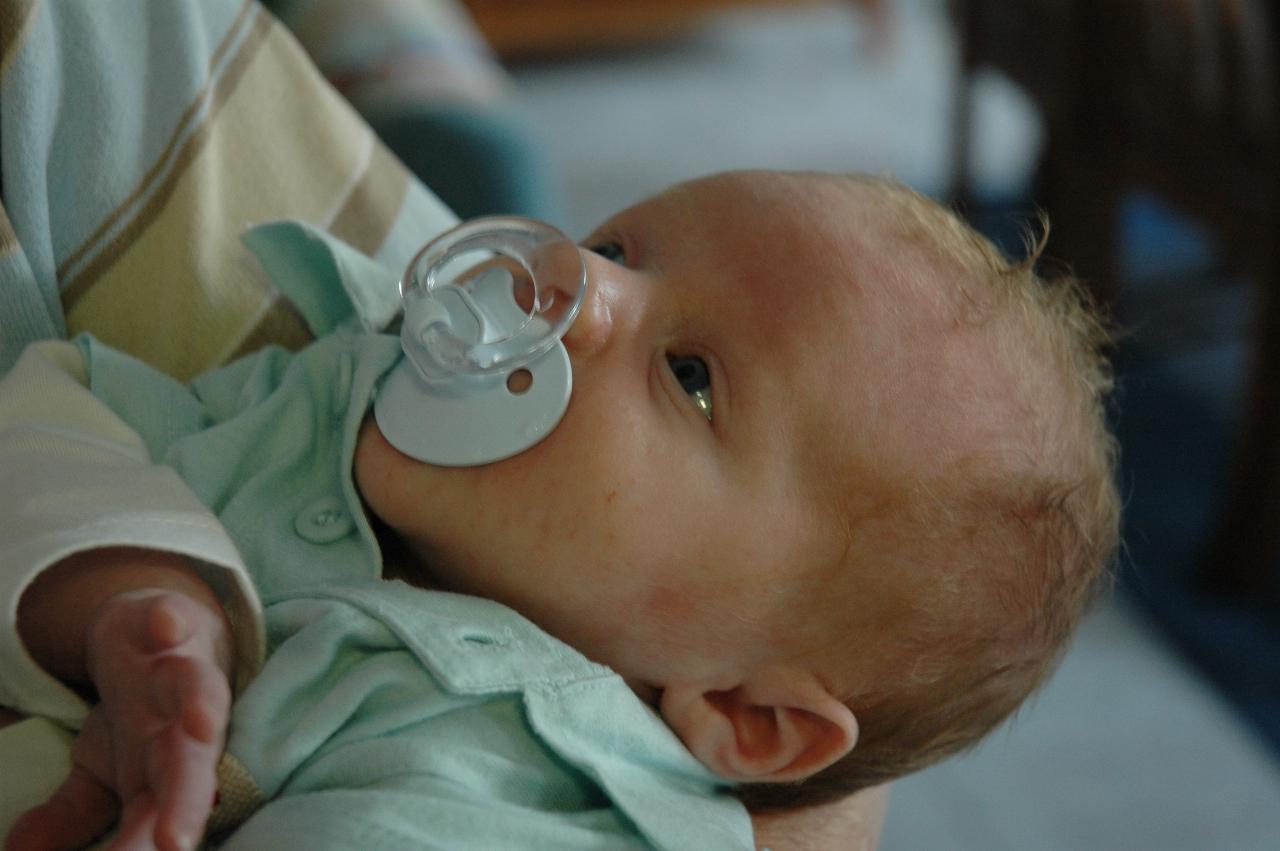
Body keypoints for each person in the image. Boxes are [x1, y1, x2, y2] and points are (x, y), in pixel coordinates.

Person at [2, 168, 1120, 850]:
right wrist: (127, 583)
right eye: (609, 248)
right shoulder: (335, 382)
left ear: (743, 713)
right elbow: (58, 408)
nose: (572, 293)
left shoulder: (523, 795)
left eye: (689, 375)